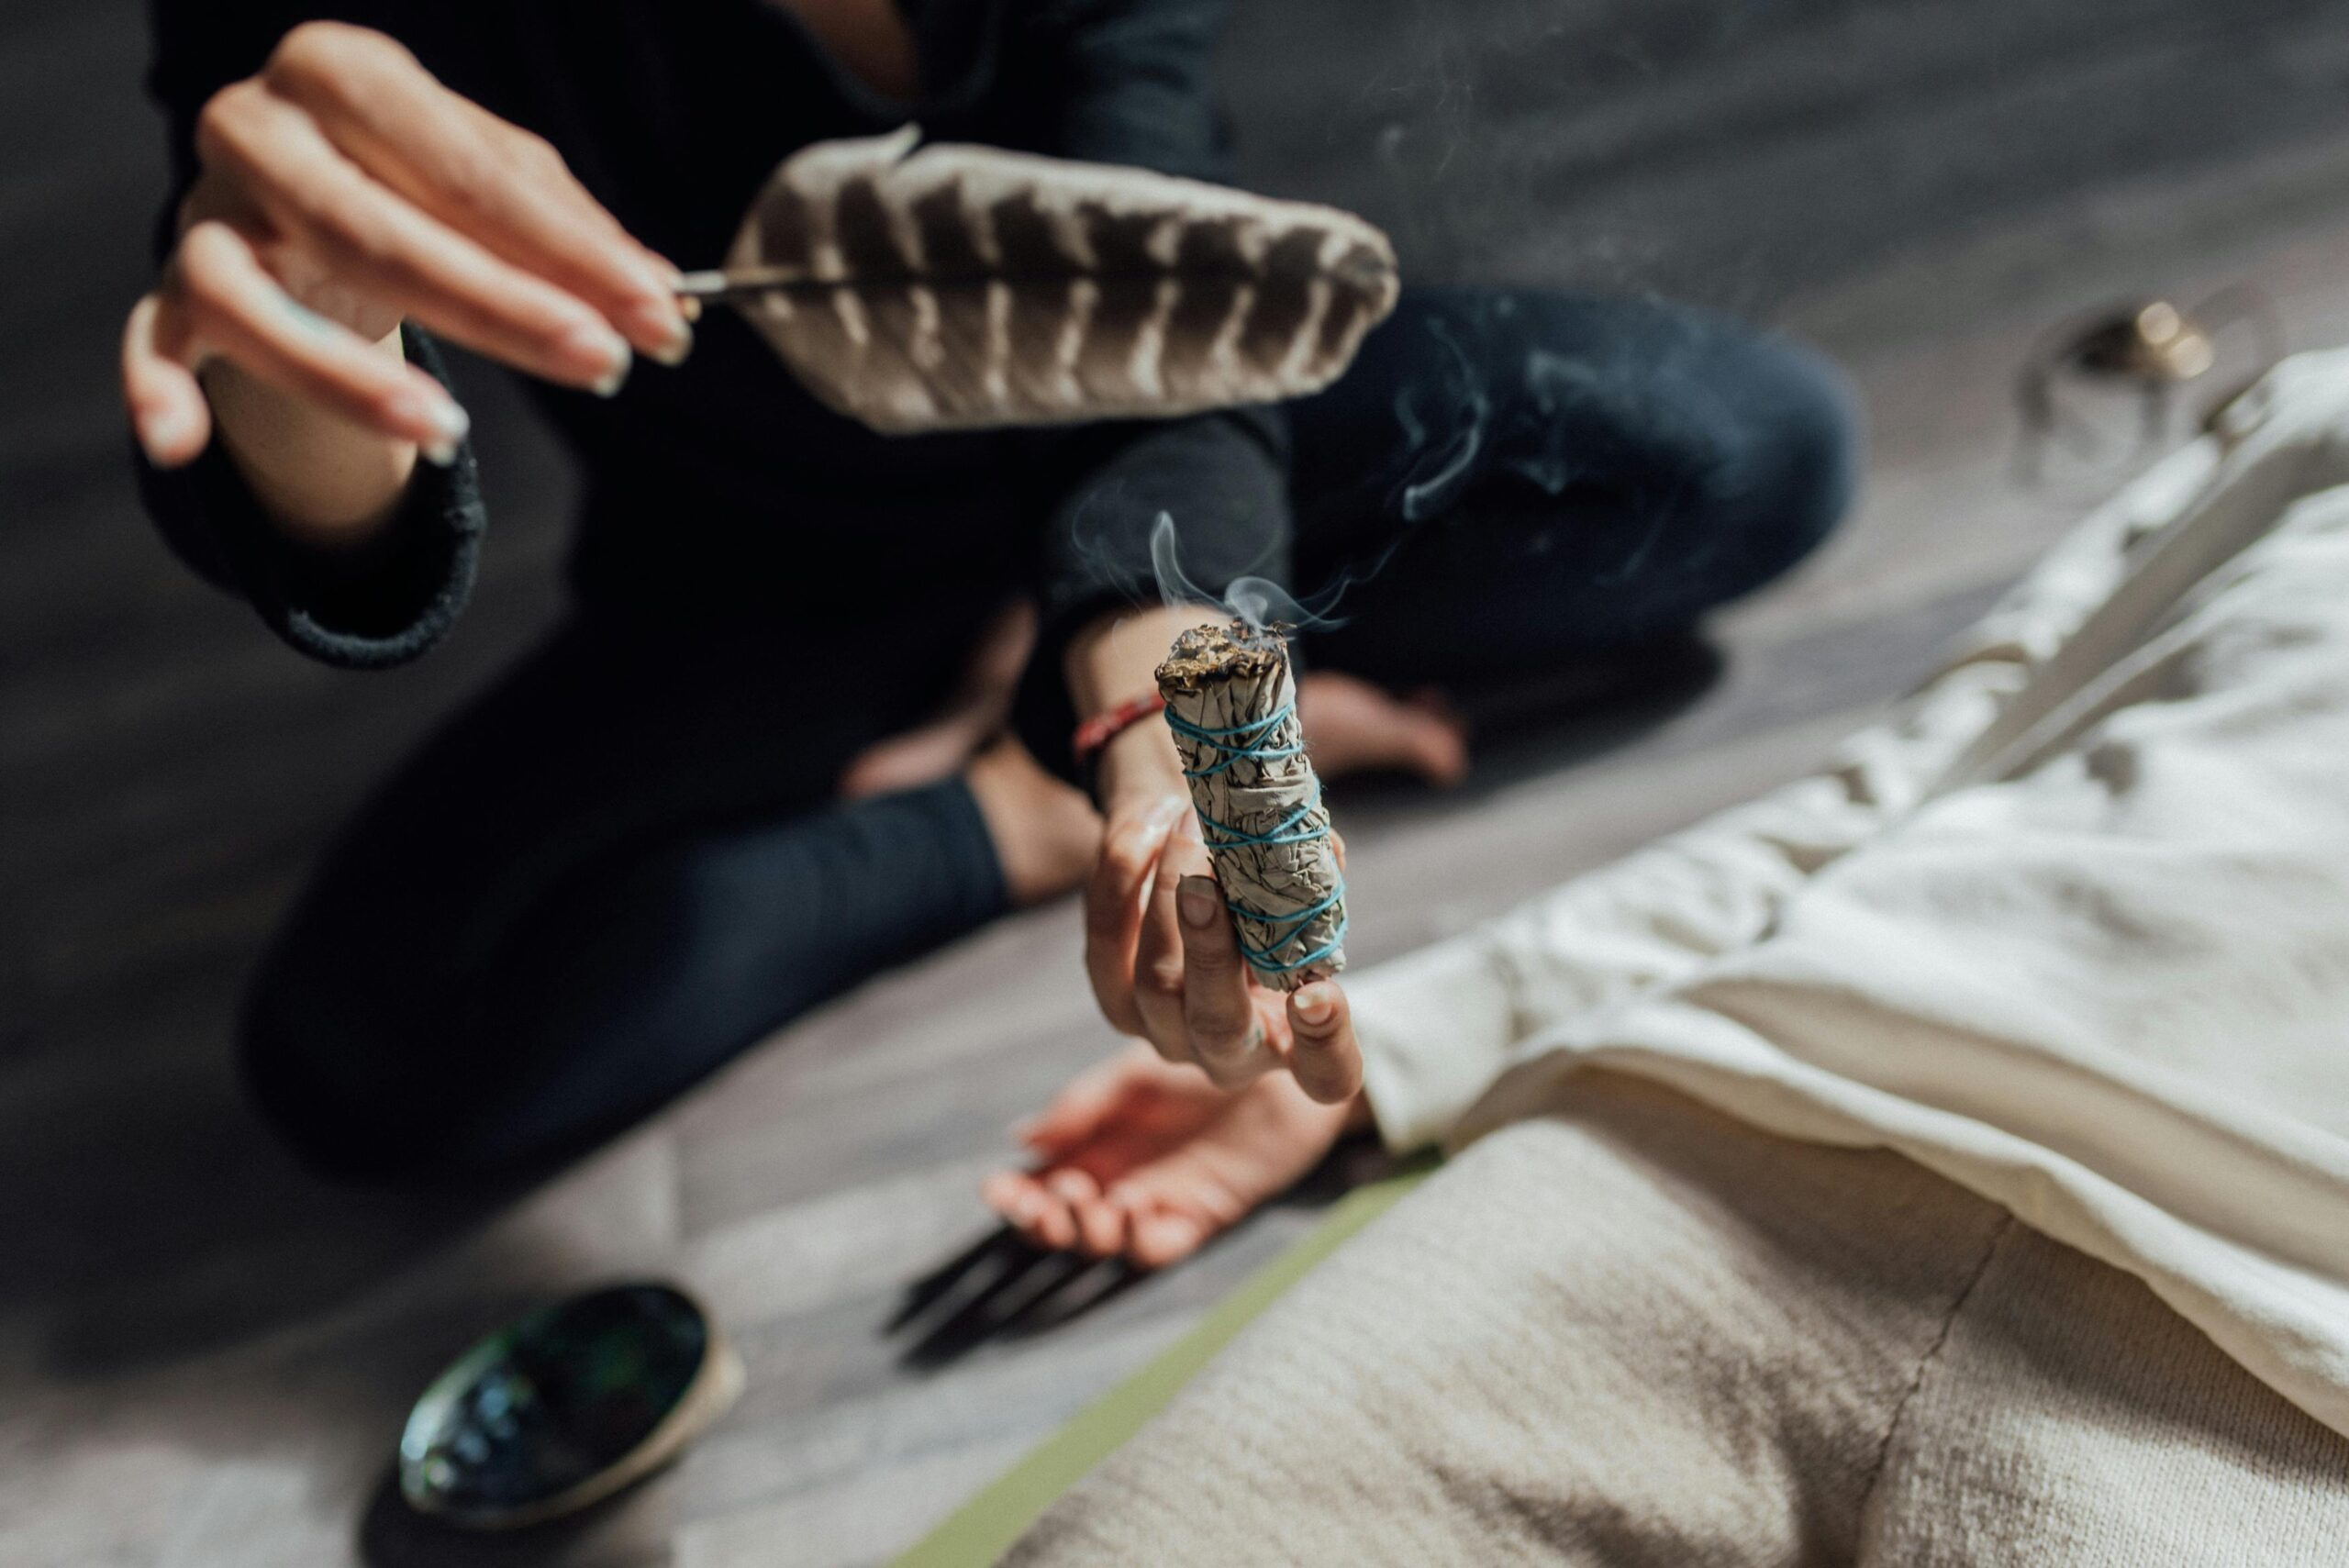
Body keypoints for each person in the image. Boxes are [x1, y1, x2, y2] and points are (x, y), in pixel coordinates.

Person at [123, 2, 1852, 1182]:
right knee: (360, 1050)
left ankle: (1067, 683)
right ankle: (1011, 799)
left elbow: (1152, 306)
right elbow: (311, 523)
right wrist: (311, 349)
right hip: (771, 575)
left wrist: (1197, 726)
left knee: (1744, 454)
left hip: (1145, 446)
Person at [987, 355, 2349, 1561]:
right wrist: (1394, 1042)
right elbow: (1886, 791)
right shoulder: (2316, 417)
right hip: (1731, 1129)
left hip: (2279, 1375)